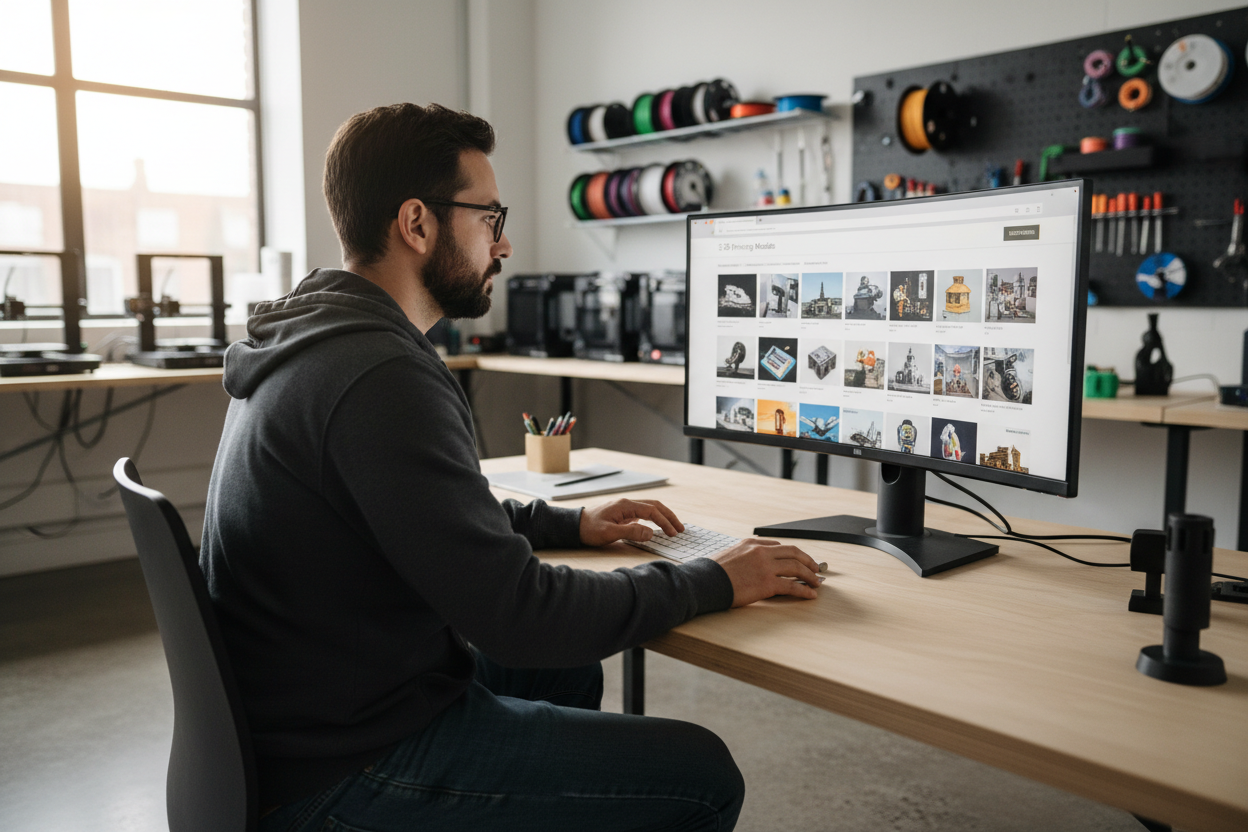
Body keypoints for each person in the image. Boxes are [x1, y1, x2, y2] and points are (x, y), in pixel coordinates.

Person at [201, 103, 822, 832]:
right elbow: (519, 615)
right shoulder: (379, 376)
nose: (505, 243)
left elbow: (424, 516)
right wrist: (714, 578)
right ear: (417, 223)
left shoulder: (321, 342)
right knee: (700, 774)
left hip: (317, 714)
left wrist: (570, 522)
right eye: (489, 218)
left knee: (564, 671)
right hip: (344, 769)